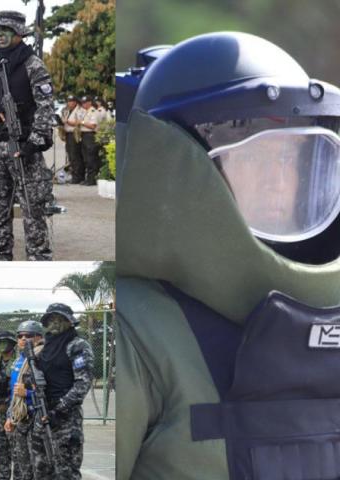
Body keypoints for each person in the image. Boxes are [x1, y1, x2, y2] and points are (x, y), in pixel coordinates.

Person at [117, 31, 340, 480]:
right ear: (179, 168)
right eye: (258, 159)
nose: (281, 184)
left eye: (294, 160)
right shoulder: (135, 326)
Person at [0, 10, 56, 261]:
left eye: (5, 31)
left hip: (23, 148)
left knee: (33, 212)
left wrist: (33, 144)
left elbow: (46, 107)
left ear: (19, 34)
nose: (0, 35)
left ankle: (38, 259)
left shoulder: (33, 66)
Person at [30, 304, 93, 480]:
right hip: (42, 416)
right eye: (51, 320)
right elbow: (31, 378)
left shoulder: (77, 346)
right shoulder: (43, 349)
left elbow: (82, 384)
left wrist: (58, 410)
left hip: (65, 419)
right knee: (41, 470)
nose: (55, 323)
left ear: (70, 322)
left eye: (60, 319)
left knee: (66, 472)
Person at [4, 320, 45, 480]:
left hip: (37, 418)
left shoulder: (43, 358)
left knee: (39, 467)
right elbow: (13, 395)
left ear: (38, 337)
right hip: (21, 419)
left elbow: (49, 392)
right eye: (20, 335)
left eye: (27, 336)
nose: (22, 339)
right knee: (23, 466)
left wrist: (27, 393)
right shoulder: (18, 361)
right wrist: (10, 416)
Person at [0, 330, 17, 480]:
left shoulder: (18, 362)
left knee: (17, 451)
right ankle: (2, 476)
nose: (2, 345)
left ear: (12, 344)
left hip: (14, 412)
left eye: (5, 342)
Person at [60, 95, 84, 184]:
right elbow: (64, 120)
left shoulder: (80, 110)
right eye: (68, 101)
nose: (69, 103)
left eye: (71, 101)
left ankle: (78, 176)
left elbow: (80, 122)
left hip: (75, 134)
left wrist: (68, 122)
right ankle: (74, 174)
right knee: (70, 155)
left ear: (75, 102)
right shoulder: (67, 111)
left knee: (75, 156)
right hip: (68, 134)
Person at [78, 96, 100, 186]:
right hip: (84, 135)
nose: (83, 104)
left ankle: (92, 180)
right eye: (82, 103)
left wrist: (82, 123)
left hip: (90, 136)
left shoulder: (93, 111)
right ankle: (88, 178)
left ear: (90, 102)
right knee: (86, 158)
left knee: (91, 158)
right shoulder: (86, 112)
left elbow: (93, 126)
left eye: (85, 102)